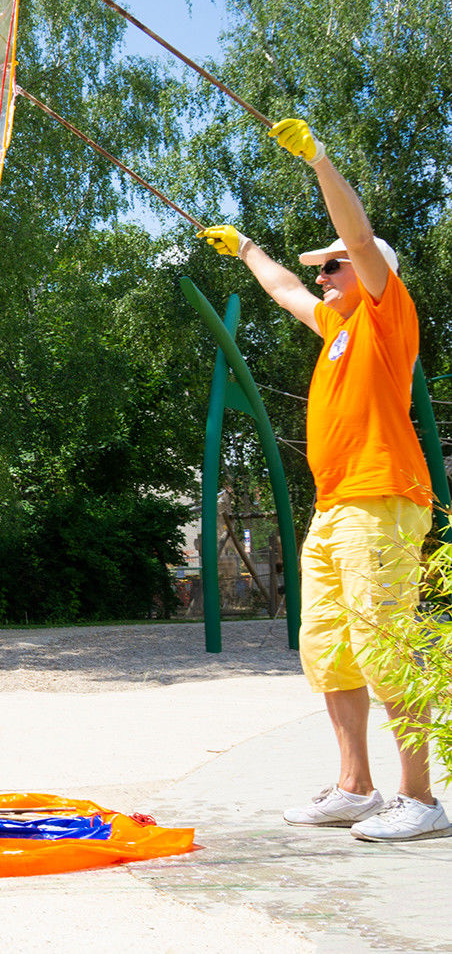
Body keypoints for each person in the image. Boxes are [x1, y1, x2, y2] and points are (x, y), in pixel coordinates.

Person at [198, 117, 448, 843]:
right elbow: (283, 290)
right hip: (336, 508)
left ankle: (421, 799)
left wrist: (320, 162)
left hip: (382, 498)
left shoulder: (388, 318)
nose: (322, 276)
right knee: (329, 649)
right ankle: (355, 789)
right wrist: (248, 248)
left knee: (385, 646)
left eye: (332, 267)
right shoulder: (337, 332)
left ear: (367, 275)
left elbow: (361, 240)